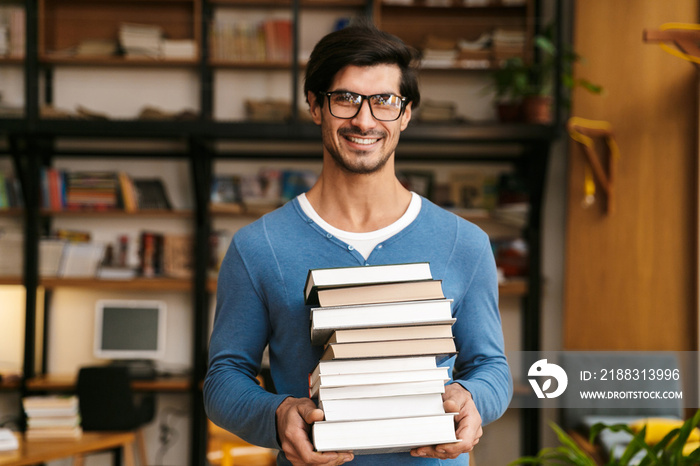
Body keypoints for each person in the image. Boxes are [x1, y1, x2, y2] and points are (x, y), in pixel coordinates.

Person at [204, 21, 512, 466]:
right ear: (315, 106)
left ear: (405, 113)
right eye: (345, 99)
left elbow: (492, 368)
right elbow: (223, 379)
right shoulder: (258, 247)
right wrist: (278, 413)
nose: (364, 120)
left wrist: (472, 397)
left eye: (384, 101)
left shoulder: (465, 243)